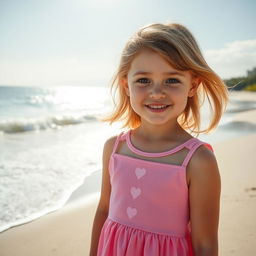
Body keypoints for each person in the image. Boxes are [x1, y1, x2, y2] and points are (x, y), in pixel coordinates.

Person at [89, 23, 228, 256]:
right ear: (126, 85)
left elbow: (205, 244)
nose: (156, 92)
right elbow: (104, 209)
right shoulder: (114, 148)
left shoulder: (198, 161)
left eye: (172, 80)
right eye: (143, 80)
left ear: (192, 85)